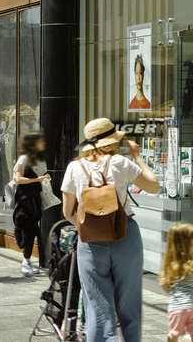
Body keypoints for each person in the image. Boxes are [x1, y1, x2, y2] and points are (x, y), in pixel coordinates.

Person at [61, 118, 160, 342]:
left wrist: (89, 228)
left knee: (97, 308)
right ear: (111, 141)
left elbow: (68, 211)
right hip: (125, 235)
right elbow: (154, 186)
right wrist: (137, 156)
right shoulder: (120, 163)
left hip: (90, 242)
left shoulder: (74, 167)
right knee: (129, 305)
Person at [162, 223, 193, 342]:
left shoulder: (171, 263)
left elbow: (164, 284)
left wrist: (172, 293)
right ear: (187, 243)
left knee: (173, 334)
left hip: (178, 307)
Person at [12, 133, 51, 277]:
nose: (43, 144)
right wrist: (38, 179)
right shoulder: (24, 158)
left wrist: (43, 178)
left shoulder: (37, 159)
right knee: (30, 231)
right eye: (40, 142)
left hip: (34, 199)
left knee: (33, 231)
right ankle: (26, 262)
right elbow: (18, 179)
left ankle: (30, 261)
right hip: (25, 200)